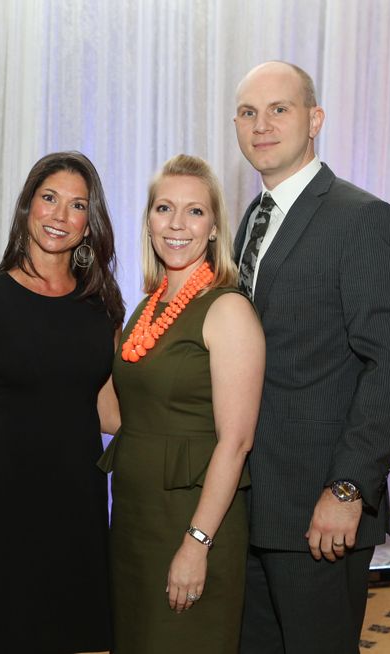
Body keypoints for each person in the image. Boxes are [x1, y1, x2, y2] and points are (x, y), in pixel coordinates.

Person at [231, 61, 390, 654]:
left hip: (321, 508)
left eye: (278, 109)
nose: (261, 125)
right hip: (254, 502)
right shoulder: (252, 220)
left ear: (315, 119)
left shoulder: (361, 219)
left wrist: (347, 489)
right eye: (247, 112)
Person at [0, 151, 124, 653]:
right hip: (3, 512)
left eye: (76, 205)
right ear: (27, 206)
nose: (59, 216)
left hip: (77, 509)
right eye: (49, 198)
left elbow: (110, 412)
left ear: (90, 224)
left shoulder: (102, 306)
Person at [98, 154, 265, 653]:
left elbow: (236, 443)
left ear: (214, 227)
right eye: (164, 208)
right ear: (148, 220)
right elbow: (117, 417)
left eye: (194, 212)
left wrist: (197, 544)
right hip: (134, 518)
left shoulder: (227, 309)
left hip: (192, 519)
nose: (177, 224)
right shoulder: (146, 308)